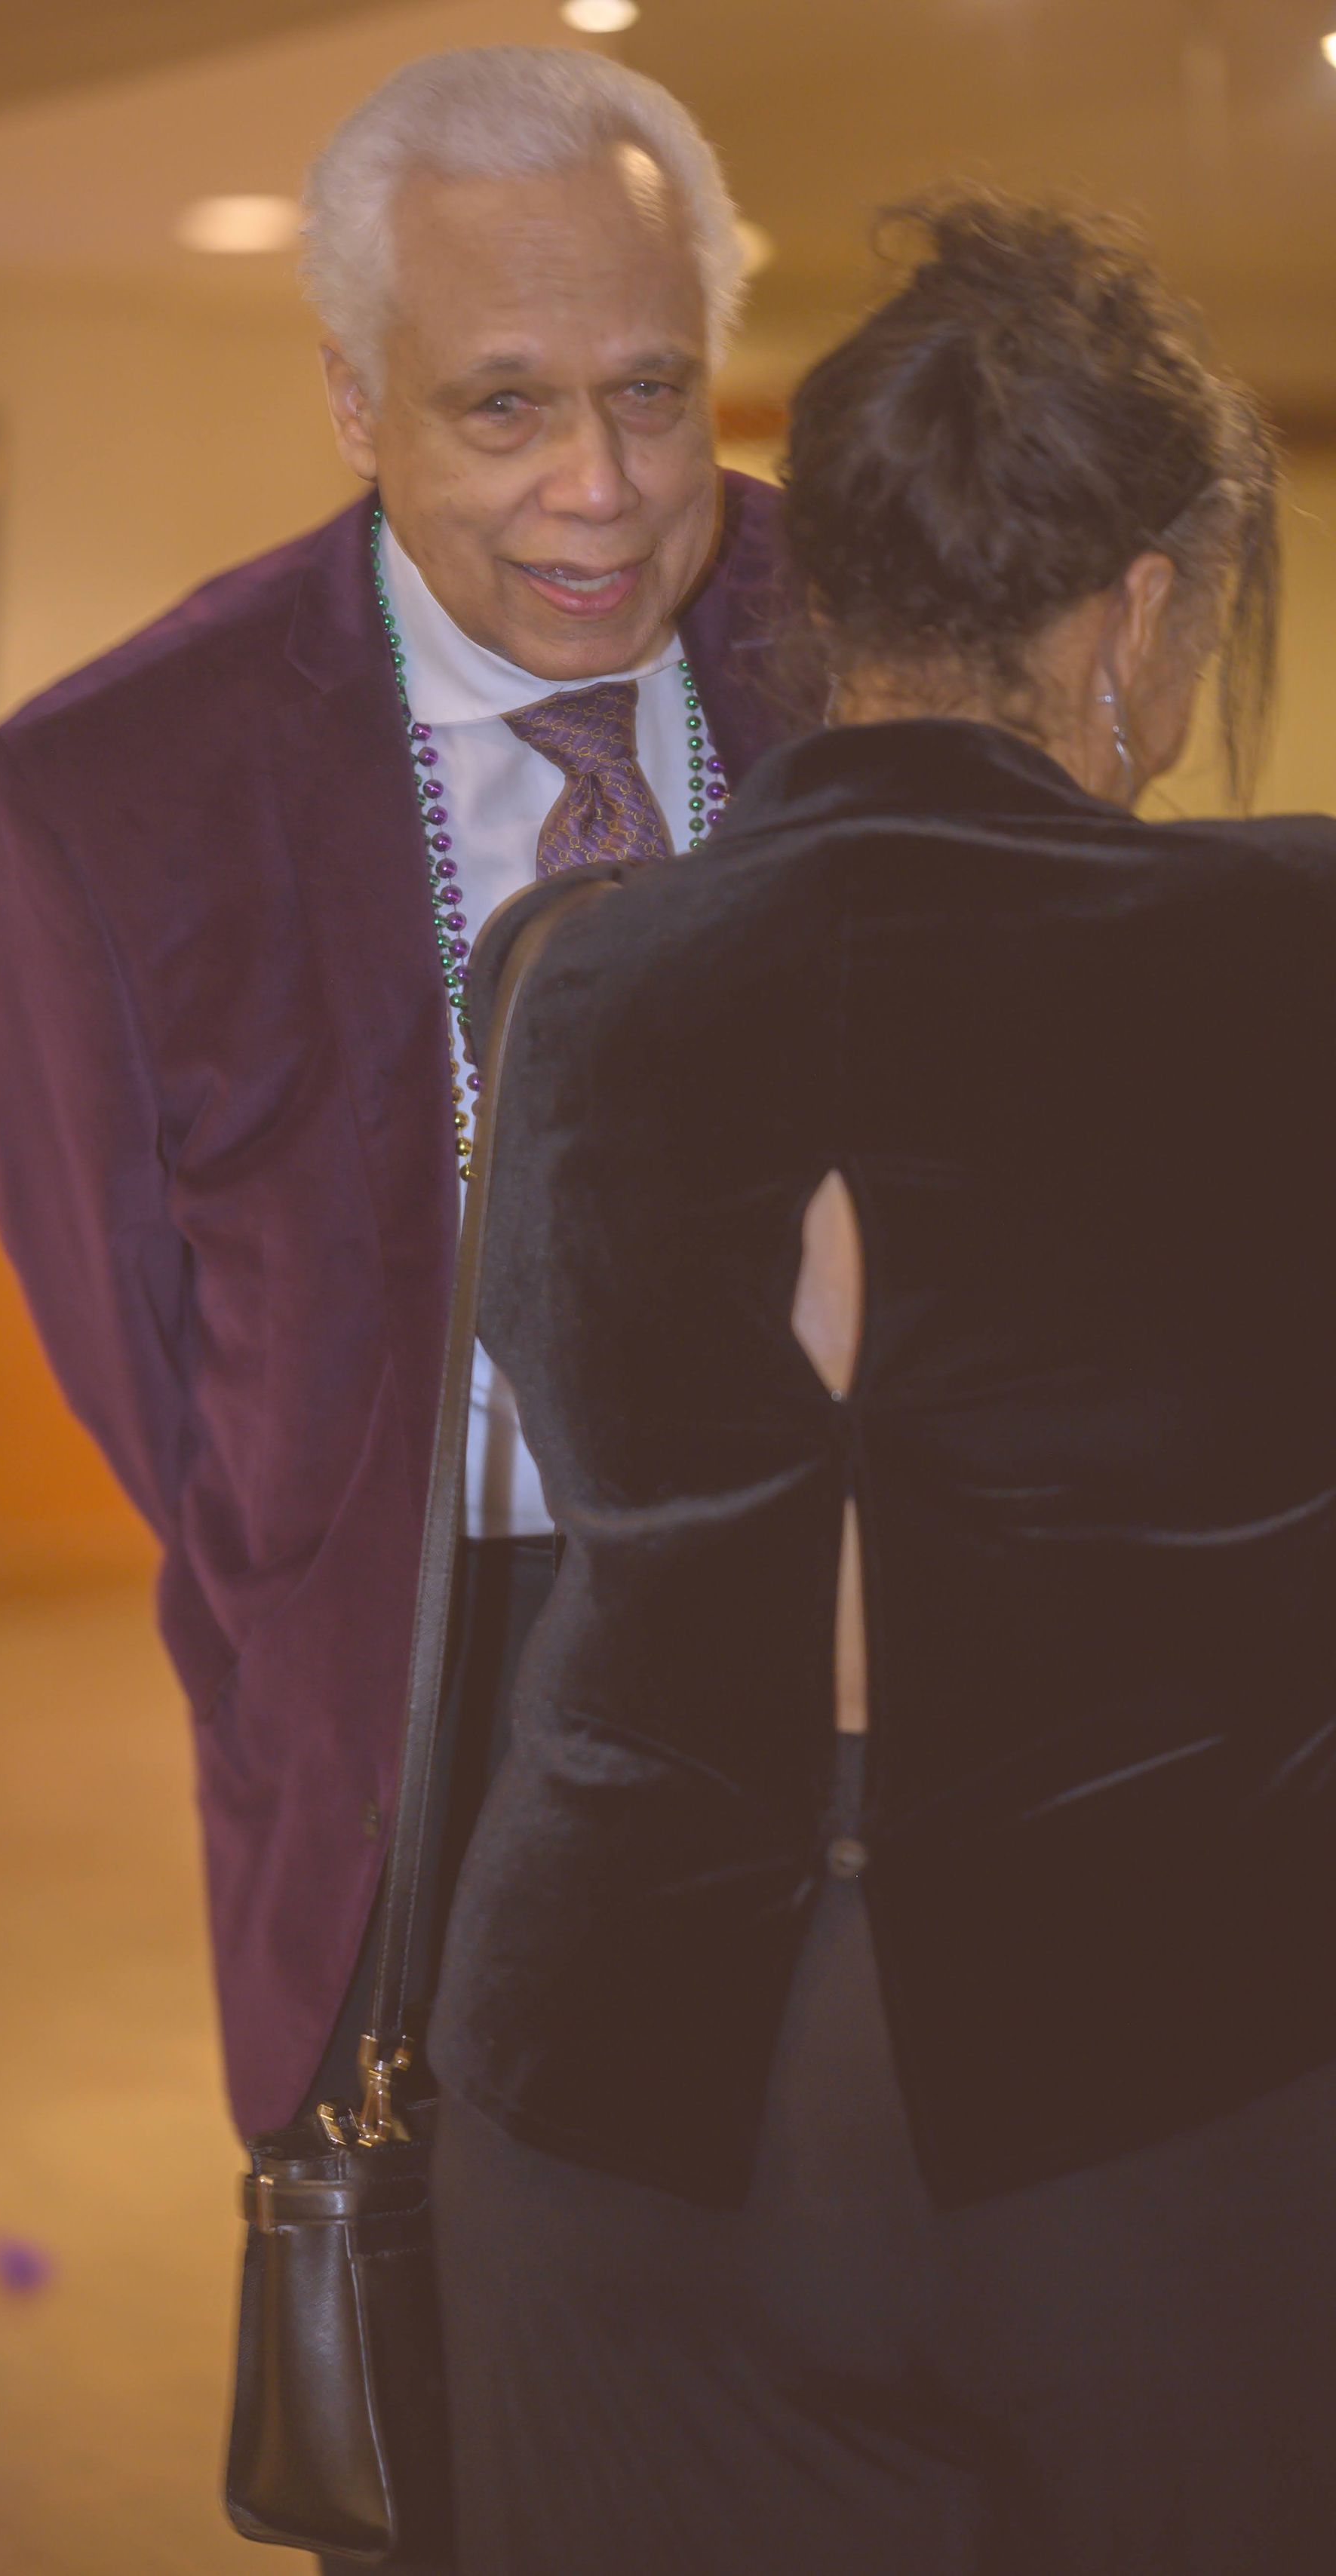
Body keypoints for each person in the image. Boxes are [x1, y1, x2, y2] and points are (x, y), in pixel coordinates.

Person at [427, 194, 1336, 2574]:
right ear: (1142, 605)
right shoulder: (1295, 947)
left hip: (613, 2080)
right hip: (1168, 2083)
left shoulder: (567, 977)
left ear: (818, 588)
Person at [0, 55, 788, 2151]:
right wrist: (328, 1576)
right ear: (355, 403)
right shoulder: (119, 795)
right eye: (503, 407)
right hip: (421, 1705)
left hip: (841, 1658)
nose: (601, 487)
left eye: (653, 391)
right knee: (461, 2324)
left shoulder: (868, 644)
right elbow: (136, 1354)